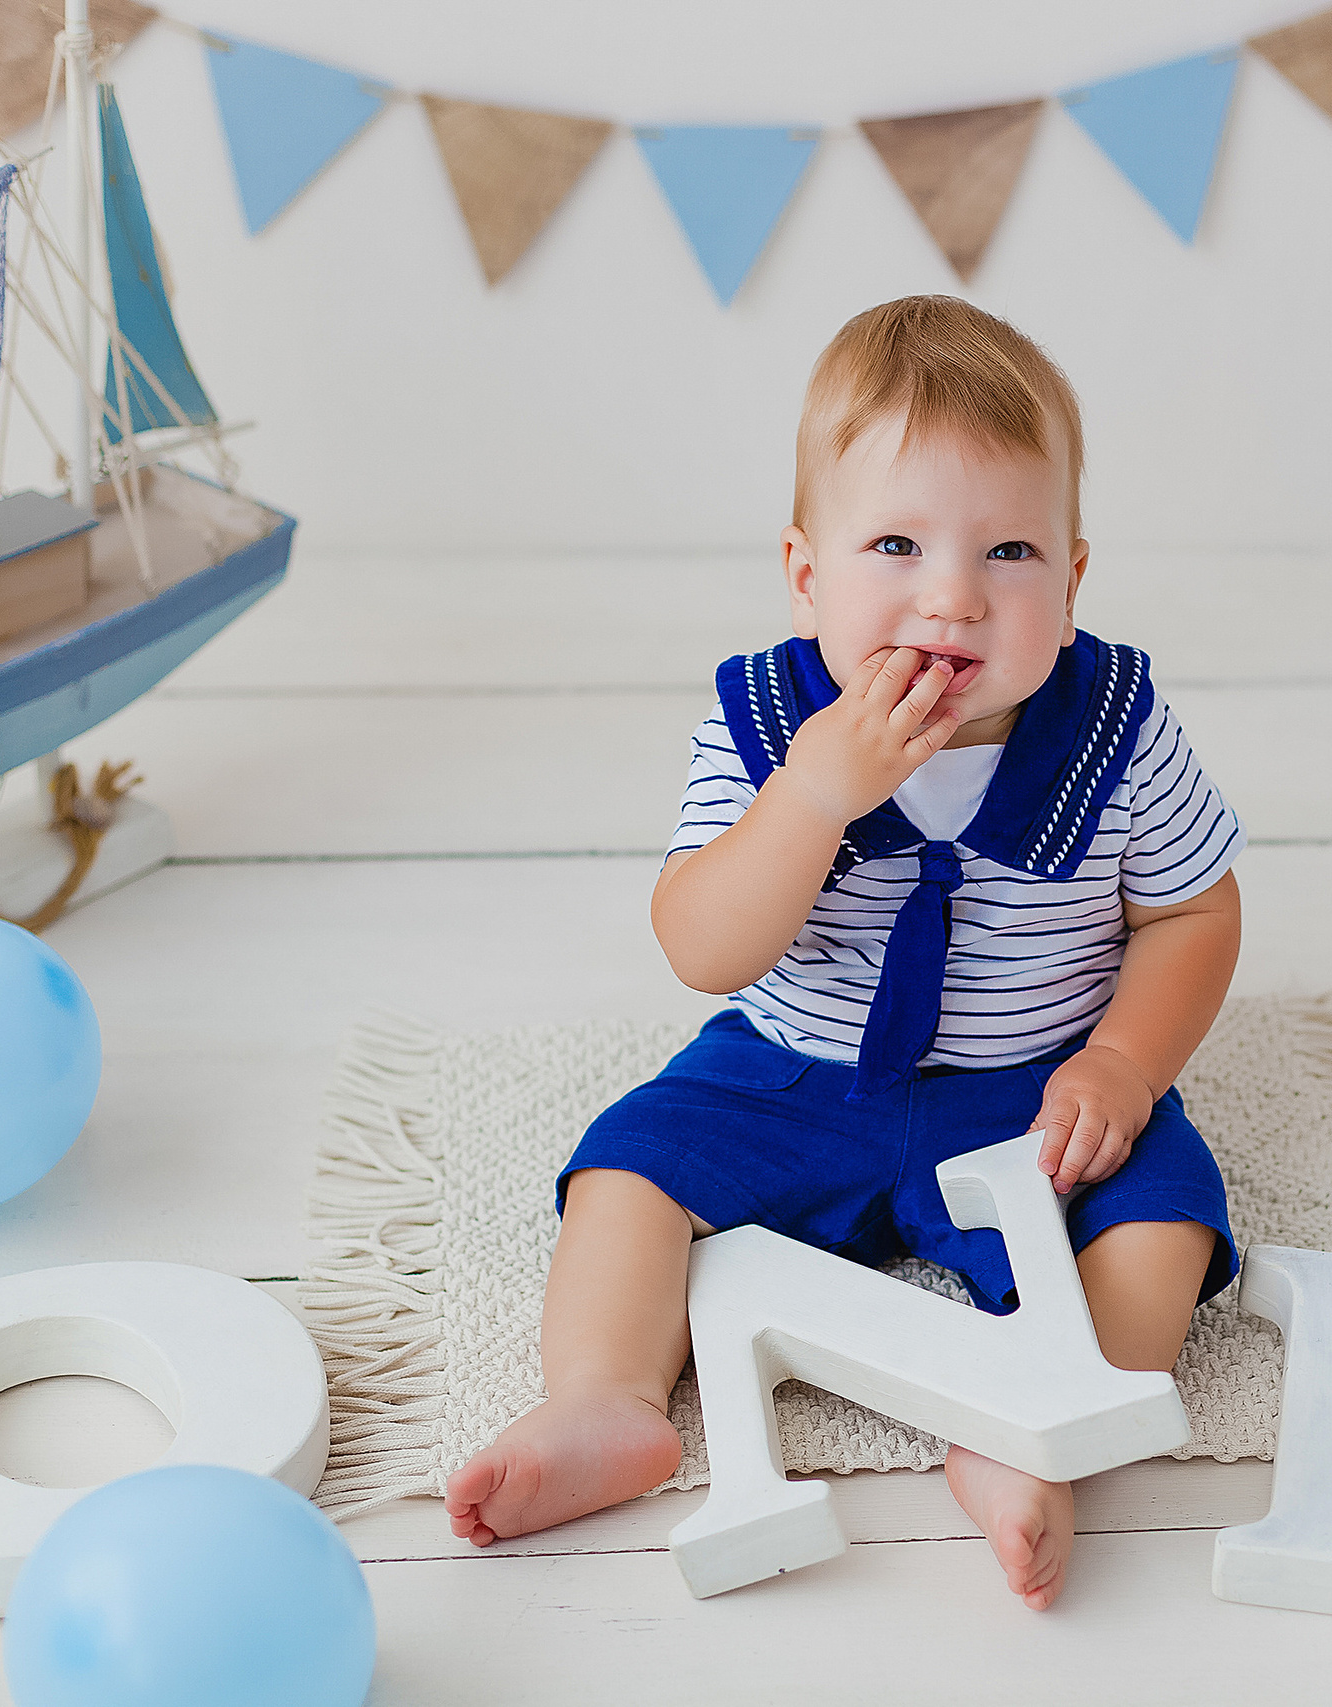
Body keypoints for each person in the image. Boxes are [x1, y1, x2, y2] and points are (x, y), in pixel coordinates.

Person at [445, 295, 1245, 1611]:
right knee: (627, 1173)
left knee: (1162, 1219)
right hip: (793, 1071)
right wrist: (813, 795)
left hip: (1033, 1083)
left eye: (1009, 552)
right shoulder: (766, 725)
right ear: (806, 573)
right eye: (896, 545)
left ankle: (1035, 1425)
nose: (953, 597)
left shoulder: (1116, 730)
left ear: (1072, 581)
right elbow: (701, 946)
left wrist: (1123, 1061)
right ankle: (604, 1399)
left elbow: (1192, 918)